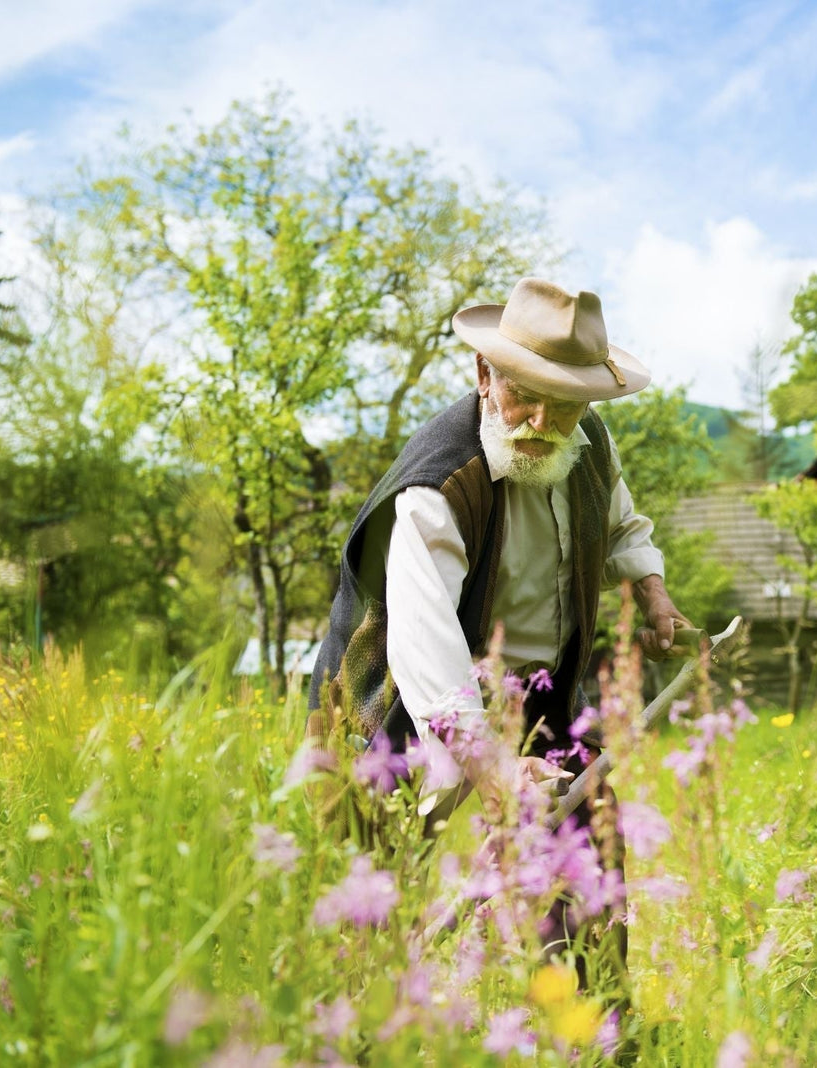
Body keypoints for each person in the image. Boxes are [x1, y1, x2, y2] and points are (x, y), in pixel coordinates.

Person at [307, 276, 691, 992]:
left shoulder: (586, 439)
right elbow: (426, 660)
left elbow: (621, 524)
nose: (542, 420)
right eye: (525, 393)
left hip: (540, 699)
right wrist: (494, 774)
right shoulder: (435, 489)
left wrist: (653, 589)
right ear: (484, 375)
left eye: (567, 402)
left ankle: (592, 1032)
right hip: (398, 712)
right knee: (367, 914)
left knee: (585, 877)